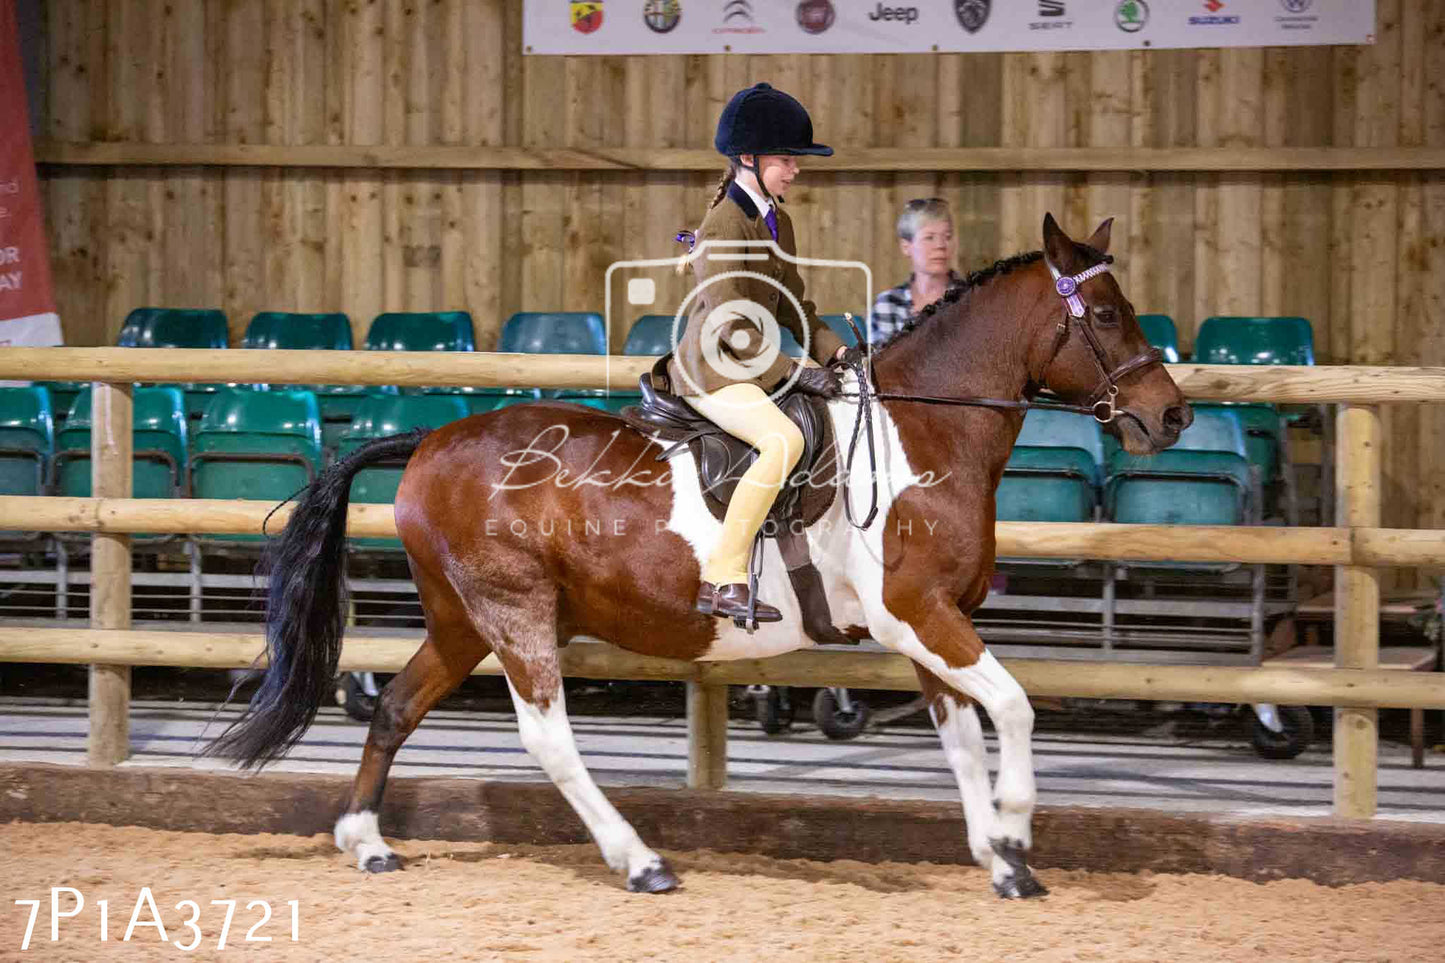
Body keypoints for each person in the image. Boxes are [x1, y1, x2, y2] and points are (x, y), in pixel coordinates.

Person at [668, 82, 849, 625]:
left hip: (752, 362)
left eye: (796, 160)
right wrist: (793, 371)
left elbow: (795, 303)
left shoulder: (777, 219)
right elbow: (729, 322)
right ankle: (722, 577)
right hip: (714, 369)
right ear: (747, 157)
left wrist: (838, 354)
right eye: (786, 159)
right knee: (781, 441)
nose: (794, 170)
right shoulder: (724, 222)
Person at [869, 197, 963, 345]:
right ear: (906, 247)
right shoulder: (888, 304)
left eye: (947, 237)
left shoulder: (971, 297)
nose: (941, 245)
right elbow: (880, 365)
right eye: (929, 237)